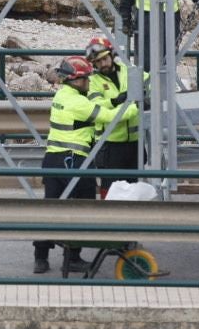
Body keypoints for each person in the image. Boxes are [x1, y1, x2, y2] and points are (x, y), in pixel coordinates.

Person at [33, 55, 101, 275]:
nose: (89, 82)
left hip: (53, 159)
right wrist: (131, 108)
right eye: (86, 78)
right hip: (75, 160)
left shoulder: (63, 94)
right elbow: (107, 116)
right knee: (83, 206)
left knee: (49, 209)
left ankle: (40, 258)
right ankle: (72, 257)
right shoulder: (78, 101)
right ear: (76, 80)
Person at [84, 35, 144, 195]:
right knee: (109, 188)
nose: (102, 64)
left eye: (104, 59)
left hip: (134, 142)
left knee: (133, 187)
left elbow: (148, 81)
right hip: (110, 144)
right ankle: (108, 216)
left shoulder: (127, 70)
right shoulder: (94, 81)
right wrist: (115, 100)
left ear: (111, 55)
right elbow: (96, 105)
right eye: (98, 62)